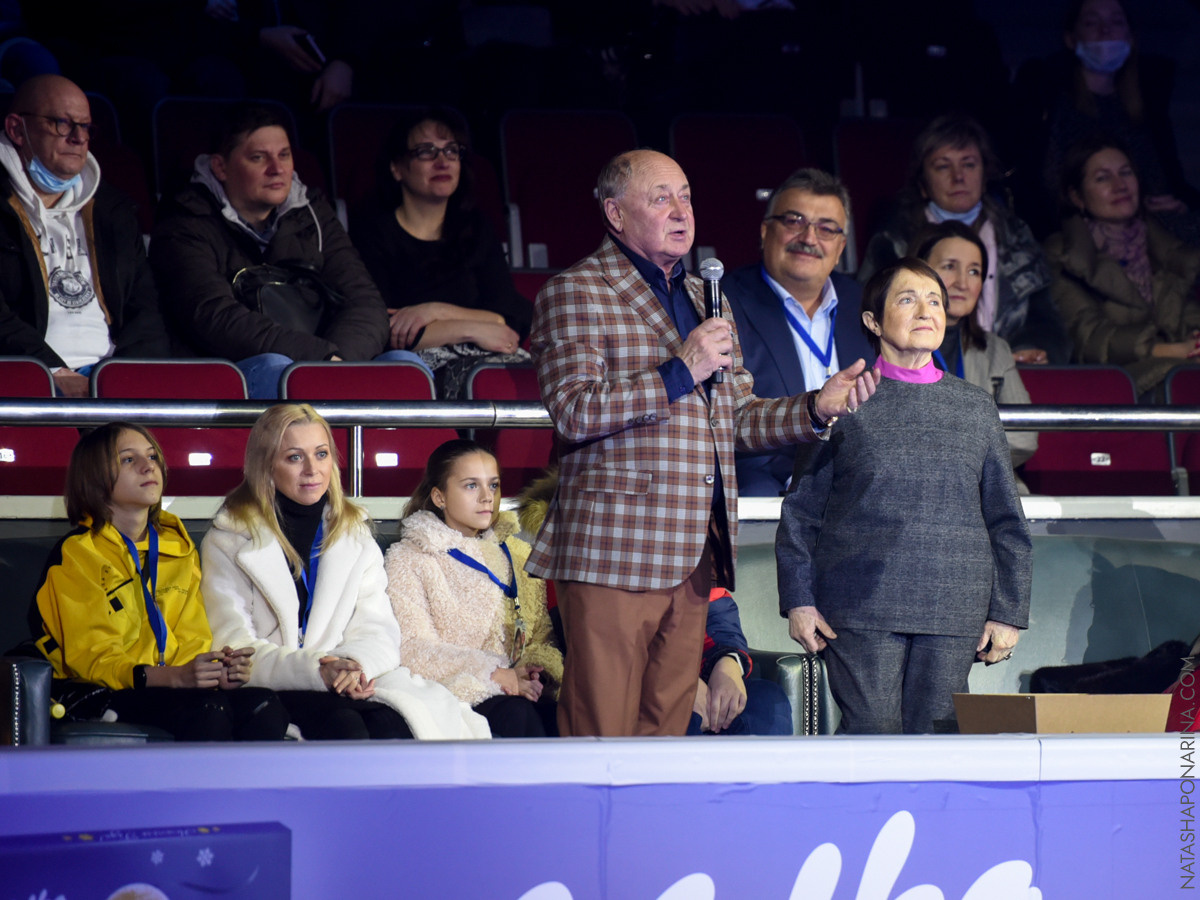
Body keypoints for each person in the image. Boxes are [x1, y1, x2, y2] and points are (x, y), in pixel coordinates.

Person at [527, 148, 879, 738]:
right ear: (615, 214)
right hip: (615, 553)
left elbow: (736, 418)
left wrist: (815, 407)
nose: (681, 210)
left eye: (686, 195)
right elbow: (573, 410)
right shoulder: (577, 291)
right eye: (660, 197)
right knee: (602, 734)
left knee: (667, 737)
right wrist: (678, 370)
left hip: (692, 556)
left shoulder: (703, 297)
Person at [777, 258, 1032, 734]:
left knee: (939, 742)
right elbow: (802, 513)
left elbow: (1005, 520)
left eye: (934, 300)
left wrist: (1007, 613)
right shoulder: (843, 399)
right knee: (872, 735)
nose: (926, 311)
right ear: (873, 321)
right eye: (907, 299)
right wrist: (799, 599)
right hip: (859, 606)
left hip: (955, 608)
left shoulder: (975, 407)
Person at [200, 403, 490, 740]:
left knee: (396, 725)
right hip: (277, 685)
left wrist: (354, 666)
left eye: (321, 454)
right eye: (295, 457)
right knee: (344, 727)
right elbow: (234, 647)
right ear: (265, 465)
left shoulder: (353, 532)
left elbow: (378, 629)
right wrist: (317, 671)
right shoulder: (229, 538)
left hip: (348, 681)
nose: (312, 469)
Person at [34, 422, 288, 741]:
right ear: (94, 477)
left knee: (264, 705)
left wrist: (216, 671)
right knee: (208, 711)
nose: (147, 465)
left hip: (176, 685)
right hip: (107, 688)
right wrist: (175, 677)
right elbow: (93, 660)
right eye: (128, 459)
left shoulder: (177, 547)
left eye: (152, 456)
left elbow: (193, 637)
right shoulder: (77, 554)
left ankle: (249, 794)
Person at [150, 104, 417, 399]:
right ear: (220, 167)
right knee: (276, 368)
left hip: (324, 358)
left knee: (405, 365)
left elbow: (365, 302)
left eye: (284, 155)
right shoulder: (185, 219)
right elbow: (212, 315)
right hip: (232, 369)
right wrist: (319, 359)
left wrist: (340, 363)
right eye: (258, 158)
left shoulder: (312, 211)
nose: (277, 169)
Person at [0, 74, 168, 397]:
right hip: (27, 377)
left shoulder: (113, 211)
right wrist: (50, 372)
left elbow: (146, 309)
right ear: (16, 129)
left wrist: (121, 379)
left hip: (110, 378)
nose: (78, 138)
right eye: (61, 123)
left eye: (86, 126)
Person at [858, 113, 1069, 366]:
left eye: (969, 164)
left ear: (984, 176)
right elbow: (867, 320)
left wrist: (1030, 350)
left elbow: (1045, 321)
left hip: (1007, 371)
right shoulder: (893, 241)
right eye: (943, 166)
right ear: (922, 183)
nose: (958, 177)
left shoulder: (1016, 237)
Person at [384, 440, 561, 737]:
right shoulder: (410, 557)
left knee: (562, 715)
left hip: (519, 690)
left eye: (493, 485)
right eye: (471, 486)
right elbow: (413, 649)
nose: (486, 497)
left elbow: (541, 635)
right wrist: (494, 673)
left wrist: (534, 669)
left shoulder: (517, 553)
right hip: (454, 693)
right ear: (439, 497)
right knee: (516, 716)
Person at [353, 107, 532, 398]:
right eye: (426, 151)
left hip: (491, 359)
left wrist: (432, 312)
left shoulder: (477, 229)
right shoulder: (372, 233)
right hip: (414, 368)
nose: (442, 161)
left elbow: (509, 321)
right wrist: (474, 329)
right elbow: (386, 333)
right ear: (397, 167)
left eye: (451, 151)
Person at [723, 168, 875, 496]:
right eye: (795, 221)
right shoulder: (725, 301)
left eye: (826, 229)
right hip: (766, 486)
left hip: (859, 484)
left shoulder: (866, 305)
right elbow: (730, 427)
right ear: (765, 231)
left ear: (841, 246)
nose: (809, 239)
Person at [1015, 0, 1198, 238]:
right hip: (1076, 234)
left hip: (1151, 229)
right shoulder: (1048, 100)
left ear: (1131, 37)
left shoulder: (1148, 101)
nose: (1105, 30)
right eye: (1092, 22)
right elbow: (1042, 191)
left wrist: (1179, 204)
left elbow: (1165, 181)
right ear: (1071, 38)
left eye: (1116, 21)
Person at [1044, 137, 1200, 399]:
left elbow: (1188, 311)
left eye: (1125, 173)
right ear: (1077, 196)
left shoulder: (1166, 248)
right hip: (1112, 386)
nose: (1120, 186)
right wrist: (1170, 350)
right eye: (1103, 178)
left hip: (1181, 368)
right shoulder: (1063, 254)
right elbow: (1088, 337)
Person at [914, 221, 1038, 486]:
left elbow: (1025, 436)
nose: (962, 282)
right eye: (949, 267)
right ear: (918, 273)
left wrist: (964, 464)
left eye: (974, 271)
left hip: (985, 489)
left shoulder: (996, 349)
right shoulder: (887, 345)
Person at [689, 587, 791, 736]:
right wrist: (682, 683)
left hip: (699, 678)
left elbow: (719, 621)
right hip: (654, 682)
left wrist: (728, 662)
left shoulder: (697, 575)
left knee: (766, 699)